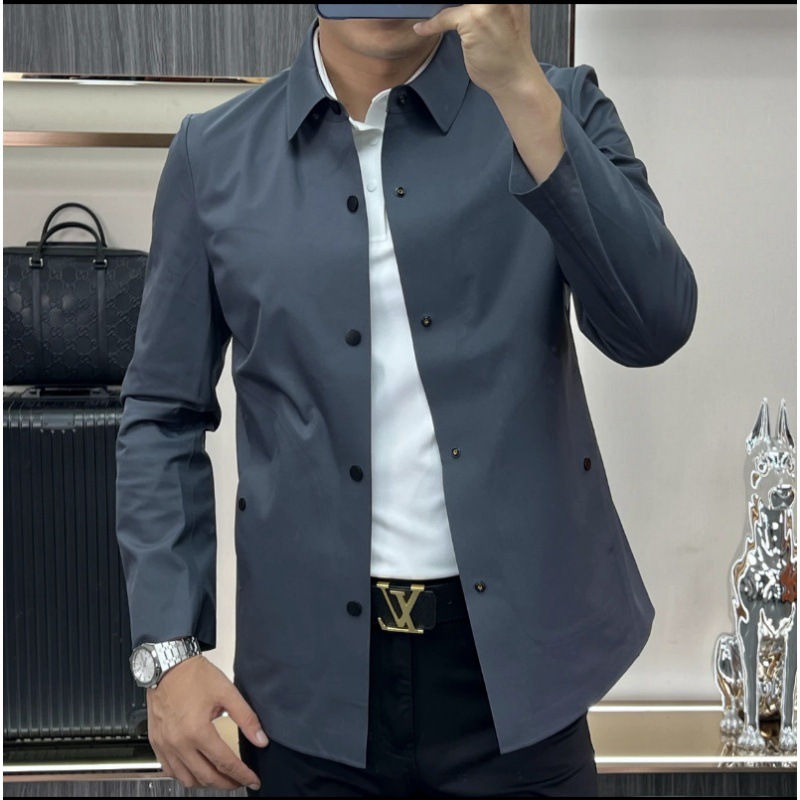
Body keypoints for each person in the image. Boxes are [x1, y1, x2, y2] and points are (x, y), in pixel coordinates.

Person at [115, 4, 698, 797]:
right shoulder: (212, 155)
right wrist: (167, 649)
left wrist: (523, 90)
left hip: (518, 686)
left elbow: (653, 325)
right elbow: (161, 412)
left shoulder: (556, 105)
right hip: (306, 692)